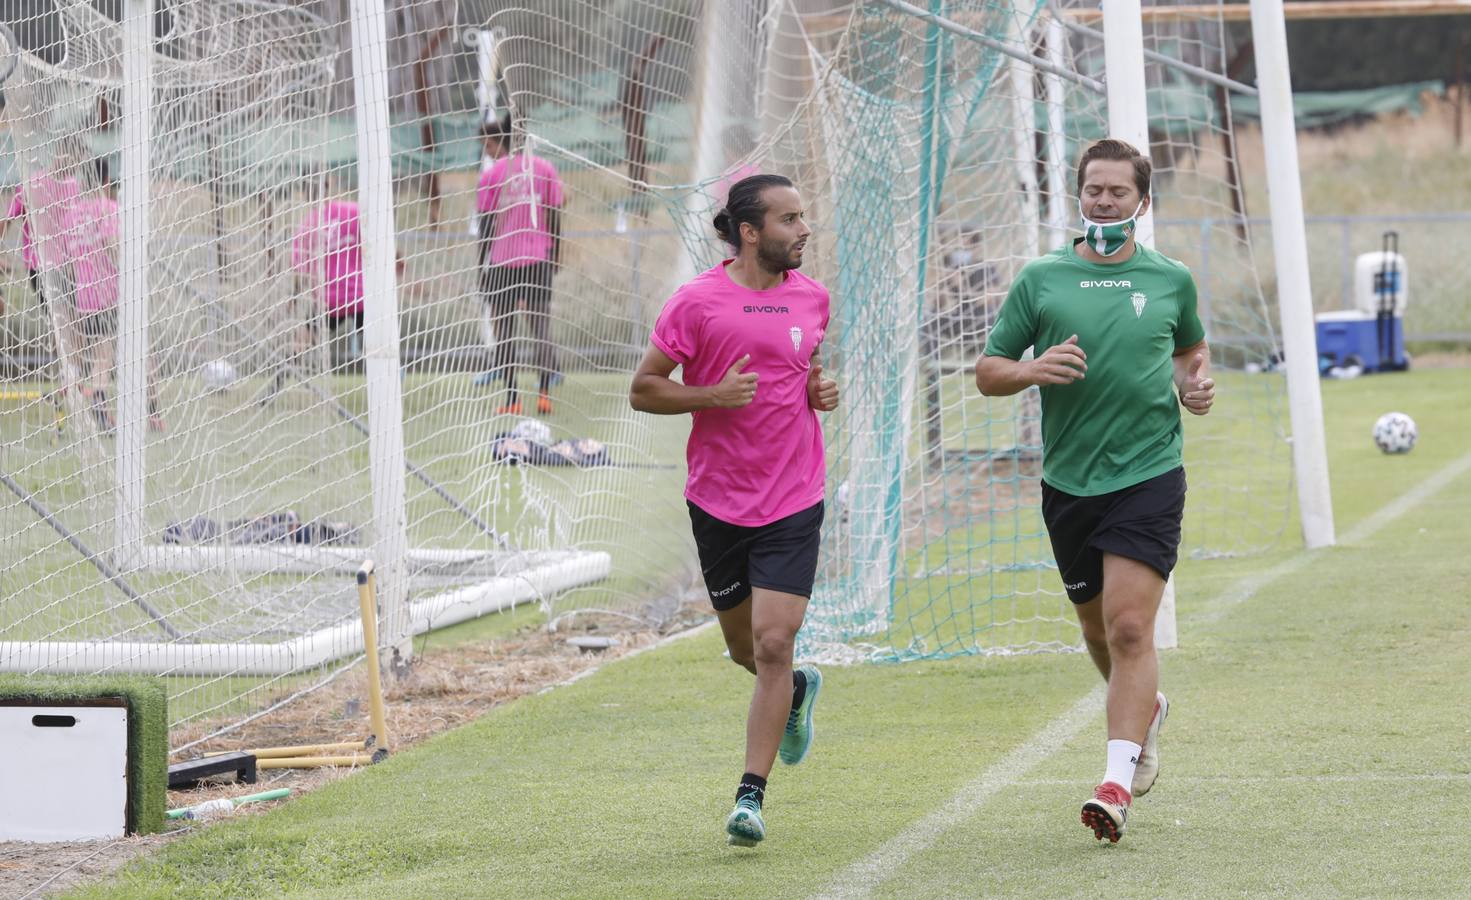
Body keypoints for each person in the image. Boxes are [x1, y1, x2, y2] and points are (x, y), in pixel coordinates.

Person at [974, 138, 1215, 844]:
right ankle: (1148, 709)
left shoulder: (1169, 278)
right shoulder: (1042, 279)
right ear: (1077, 196)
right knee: (1093, 629)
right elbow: (988, 370)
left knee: (1129, 627)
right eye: (1093, 190)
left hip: (1147, 471)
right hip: (1068, 480)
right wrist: (1032, 369)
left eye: (1116, 191)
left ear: (1142, 200)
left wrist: (1191, 387)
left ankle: (1114, 783)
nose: (1103, 200)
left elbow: (1186, 353)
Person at [629, 174, 839, 848]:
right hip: (718, 499)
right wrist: (711, 396)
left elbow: (799, 368)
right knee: (745, 650)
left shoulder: (813, 299)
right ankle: (798, 691)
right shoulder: (695, 304)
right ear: (749, 232)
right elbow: (644, 390)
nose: (802, 229)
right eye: (788, 219)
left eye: (802, 217)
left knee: (775, 643)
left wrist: (816, 390)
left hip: (794, 492)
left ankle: (749, 798)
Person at [473, 117, 565, 416]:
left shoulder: (491, 176)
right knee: (541, 328)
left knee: (504, 331)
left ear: (503, 139)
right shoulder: (545, 169)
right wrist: (555, 253)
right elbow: (554, 214)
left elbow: (486, 225)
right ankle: (544, 395)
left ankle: (512, 398)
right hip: (538, 258)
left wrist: (481, 265)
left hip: (502, 261)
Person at [59, 189, 165, 432]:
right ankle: (153, 412)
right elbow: (113, 246)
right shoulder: (107, 208)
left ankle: (100, 407)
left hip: (85, 297)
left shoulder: (69, 217)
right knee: (143, 350)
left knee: (102, 356)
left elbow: (68, 261)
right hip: (113, 293)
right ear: (106, 181)